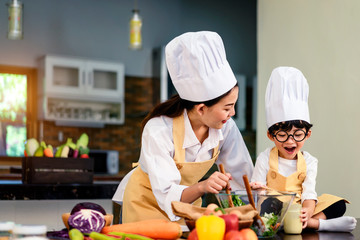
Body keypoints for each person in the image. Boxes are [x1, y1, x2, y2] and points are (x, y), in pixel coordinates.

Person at [112, 31, 254, 226]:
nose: (233, 113)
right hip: (144, 204)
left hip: (186, 206)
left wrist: (254, 200)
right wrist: (203, 186)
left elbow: (242, 175)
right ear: (202, 108)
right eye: (227, 108)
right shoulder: (159, 129)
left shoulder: (225, 128)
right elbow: (167, 193)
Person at [250, 66, 357, 232]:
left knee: (337, 204)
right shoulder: (265, 158)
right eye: (282, 135)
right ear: (271, 135)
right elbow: (258, 194)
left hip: (298, 210)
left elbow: (309, 193)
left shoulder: (309, 161)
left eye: (297, 134)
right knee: (260, 210)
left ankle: (305, 221)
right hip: (272, 210)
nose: (290, 141)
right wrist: (257, 189)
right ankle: (316, 225)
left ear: (307, 134)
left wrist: (307, 211)